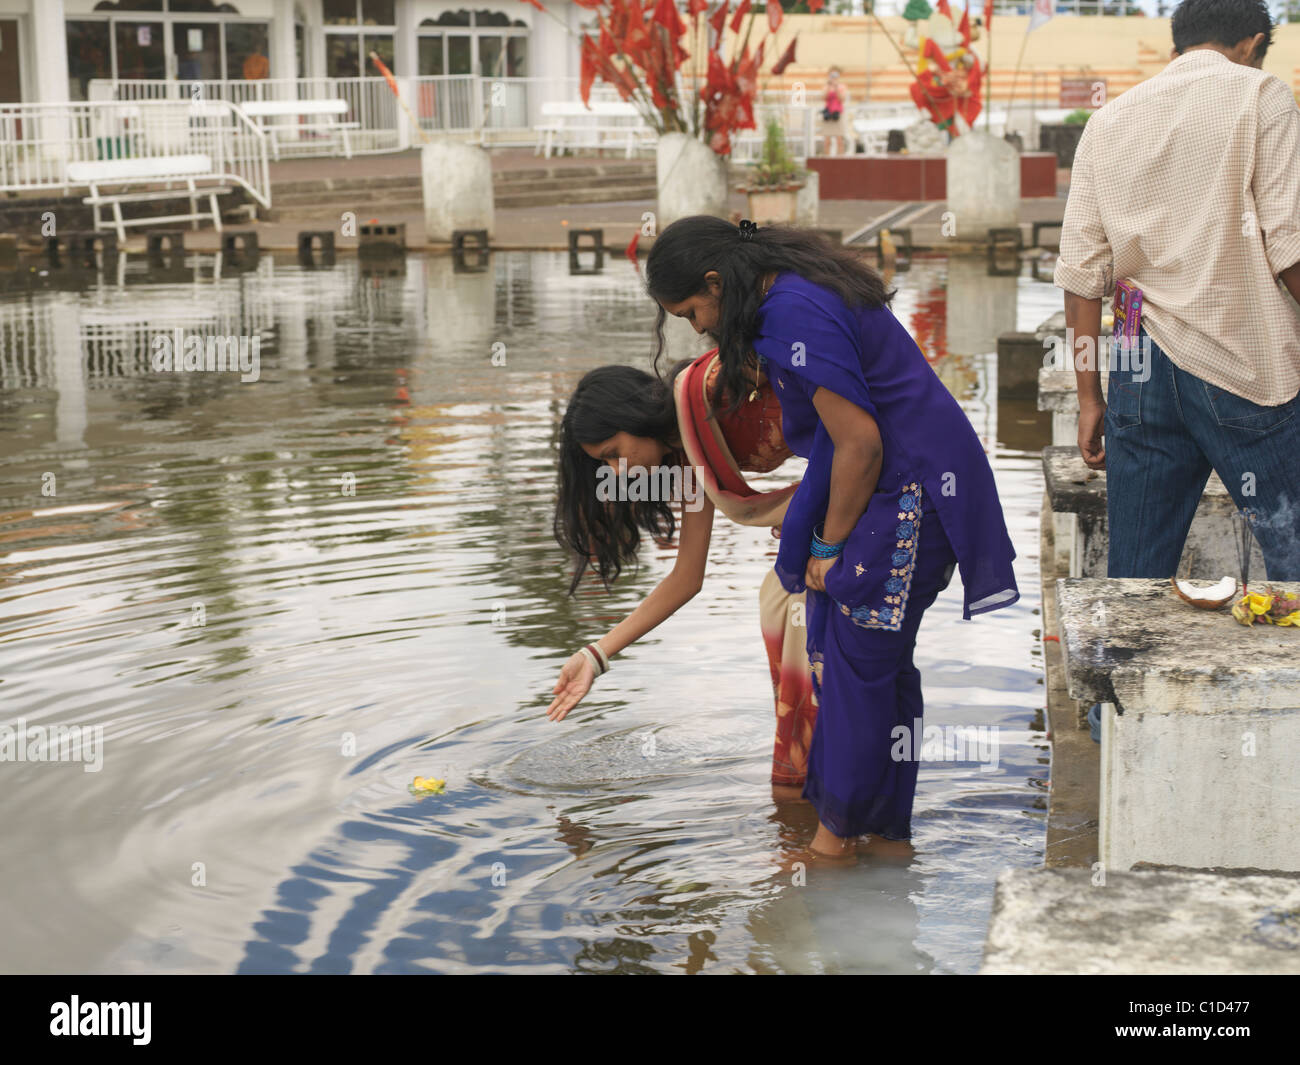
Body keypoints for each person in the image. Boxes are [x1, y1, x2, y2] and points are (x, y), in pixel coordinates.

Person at [645, 217, 1020, 858]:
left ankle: (833, 844)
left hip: (909, 490)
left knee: (854, 673)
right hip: (909, 480)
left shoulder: (789, 311)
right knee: (880, 670)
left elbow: (859, 442)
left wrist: (825, 547)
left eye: (691, 310)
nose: (697, 327)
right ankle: (886, 839)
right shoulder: (789, 292)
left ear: (715, 282)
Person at [1058, 0, 1300, 590]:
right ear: (1253, 42)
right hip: (1242, 363)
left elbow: (1082, 276)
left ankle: (1117, 680)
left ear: (1180, 39)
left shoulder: (1109, 121)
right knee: (1293, 558)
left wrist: (1090, 398)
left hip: (1138, 369)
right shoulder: (1262, 97)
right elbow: (1289, 246)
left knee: (1134, 580)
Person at [548, 358, 819, 796]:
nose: (618, 471)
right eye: (605, 464)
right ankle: (801, 789)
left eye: (614, 452)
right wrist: (595, 656)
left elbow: (831, 414)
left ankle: (814, 791)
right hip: (829, 495)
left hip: (864, 472)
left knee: (793, 603)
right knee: (780, 603)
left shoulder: (709, 395)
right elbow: (687, 577)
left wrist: (818, 517)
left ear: (633, 416)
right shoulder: (688, 454)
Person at [820, 68, 849, 156]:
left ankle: (840, 158)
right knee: (827, 141)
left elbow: (842, 99)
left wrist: (836, 88)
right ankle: (827, 158)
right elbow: (823, 97)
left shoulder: (842, 87)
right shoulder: (826, 87)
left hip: (838, 114)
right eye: (832, 75)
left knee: (839, 140)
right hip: (828, 114)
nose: (833, 78)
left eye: (835, 76)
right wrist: (829, 86)